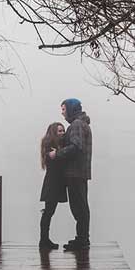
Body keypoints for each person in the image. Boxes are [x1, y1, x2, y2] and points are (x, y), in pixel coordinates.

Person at [49, 98, 92, 251]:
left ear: (71, 109)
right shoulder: (81, 124)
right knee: (81, 207)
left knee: (79, 208)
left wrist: (57, 154)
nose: (62, 113)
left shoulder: (76, 125)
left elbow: (75, 147)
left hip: (75, 173)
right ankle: (82, 238)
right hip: (79, 173)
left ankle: (82, 240)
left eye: (63, 109)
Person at [39, 122, 67, 249]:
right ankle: (44, 240)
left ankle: (45, 240)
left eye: (63, 131)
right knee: (48, 212)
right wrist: (61, 152)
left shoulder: (57, 146)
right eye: (59, 131)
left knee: (49, 212)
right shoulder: (50, 146)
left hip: (55, 182)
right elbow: (56, 161)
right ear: (53, 132)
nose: (62, 133)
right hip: (52, 183)